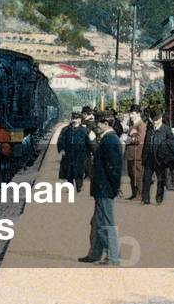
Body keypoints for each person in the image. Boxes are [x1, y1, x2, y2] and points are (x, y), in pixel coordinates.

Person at [79, 111, 122, 265]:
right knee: (97, 222)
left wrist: (114, 188)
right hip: (101, 188)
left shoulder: (110, 140)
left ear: (106, 123)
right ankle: (95, 254)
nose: (96, 125)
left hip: (105, 188)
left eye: (98, 122)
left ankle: (113, 257)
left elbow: (114, 168)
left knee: (106, 223)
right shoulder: (107, 139)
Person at [141, 108, 174, 205]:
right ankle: (145, 199)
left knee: (161, 180)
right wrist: (143, 157)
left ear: (161, 118)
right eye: (153, 120)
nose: (155, 122)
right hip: (149, 158)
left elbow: (173, 144)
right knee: (146, 179)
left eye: (157, 120)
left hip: (161, 159)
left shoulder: (166, 130)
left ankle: (159, 197)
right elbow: (146, 144)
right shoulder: (149, 129)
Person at [57, 112, 89, 192]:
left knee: (79, 171)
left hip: (80, 154)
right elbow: (61, 140)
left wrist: (89, 152)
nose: (75, 120)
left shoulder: (84, 130)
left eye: (77, 119)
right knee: (69, 171)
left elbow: (89, 142)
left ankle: (79, 187)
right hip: (69, 153)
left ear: (80, 120)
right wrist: (62, 149)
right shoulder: (66, 129)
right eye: (73, 118)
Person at [124, 104, 147, 200]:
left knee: (137, 175)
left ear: (138, 114)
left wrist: (129, 139)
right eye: (130, 113)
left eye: (133, 113)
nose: (131, 115)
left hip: (137, 154)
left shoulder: (141, 125)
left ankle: (139, 194)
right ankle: (134, 193)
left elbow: (140, 139)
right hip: (131, 154)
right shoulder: (133, 124)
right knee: (131, 174)